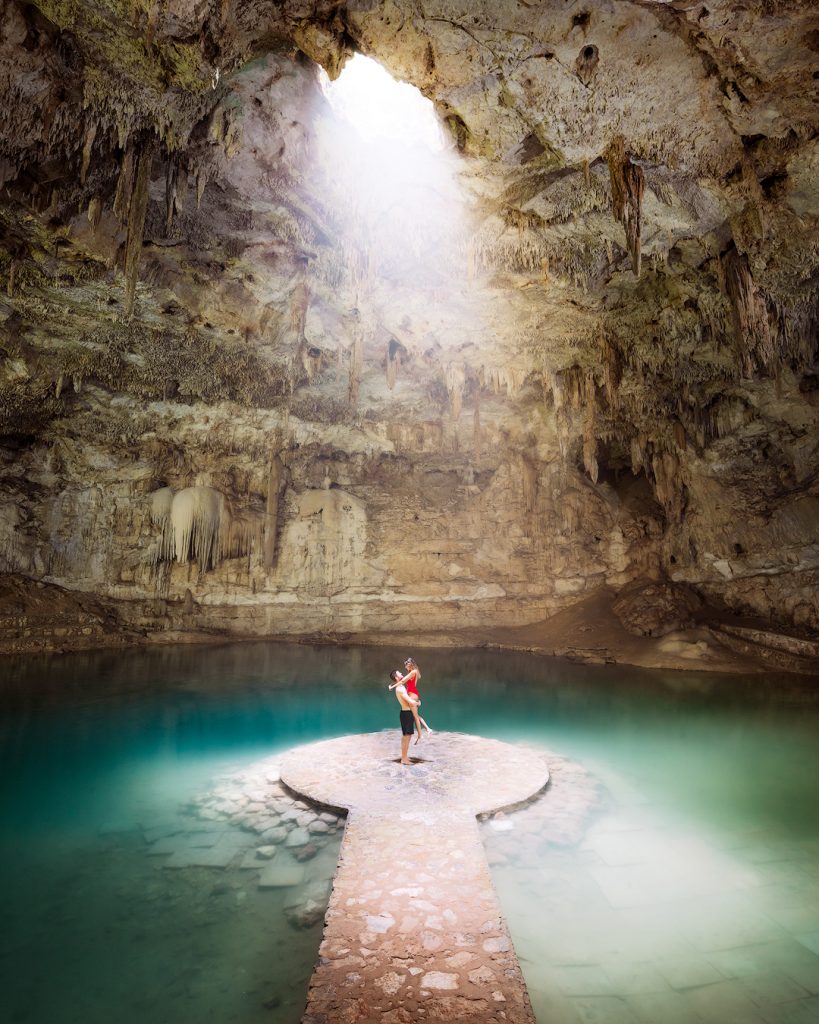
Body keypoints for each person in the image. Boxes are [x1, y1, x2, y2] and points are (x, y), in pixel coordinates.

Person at [388, 657, 432, 744]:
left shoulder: (413, 672)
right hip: (413, 694)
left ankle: (420, 735)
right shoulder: (414, 671)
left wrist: (392, 687)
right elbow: (402, 680)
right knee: (415, 715)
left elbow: (403, 681)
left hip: (412, 695)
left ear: (409, 664)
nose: (405, 668)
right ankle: (427, 729)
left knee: (415, 717)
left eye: (406, 665)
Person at [390, 669, 418, 765]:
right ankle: (404, 759)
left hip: (405, 713)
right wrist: (418, 703)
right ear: (397, 677)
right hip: (406, 714)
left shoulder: (400, 687)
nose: (402, 673)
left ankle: (404, 757)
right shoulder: (400, 689)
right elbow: (410, 702)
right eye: (399, 673)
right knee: (406, 737)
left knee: (407, 737)